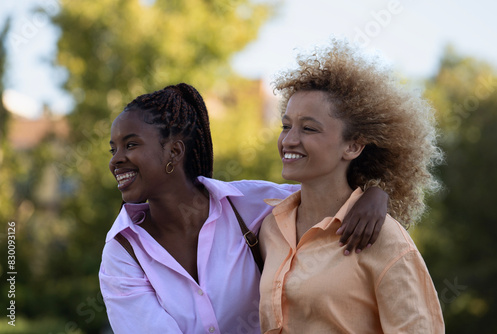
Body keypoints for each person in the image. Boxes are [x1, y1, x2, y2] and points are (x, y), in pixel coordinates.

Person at [99, 83, 389, 334]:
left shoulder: (249, 204)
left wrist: (374, 193)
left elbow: (328, 194)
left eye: (130, 145)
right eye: (114, 149)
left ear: (174, 151)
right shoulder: (122, 252)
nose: (116, 160)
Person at [258, 39, 445, 333]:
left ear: (353, 146)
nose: (289, 140)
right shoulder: (270, 228)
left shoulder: (382, 237)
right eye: (285, 126)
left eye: (308, 128)